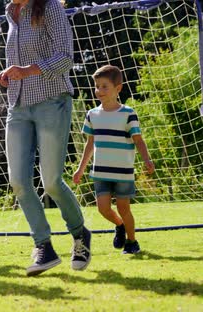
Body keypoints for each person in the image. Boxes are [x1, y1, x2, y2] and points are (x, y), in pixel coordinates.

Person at [0, 0, 91, 276]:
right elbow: (20, 61)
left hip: (52, 101)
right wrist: (11, 74)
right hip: (18, 105)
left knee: (50, 182)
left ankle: (79, 234)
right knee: (18, 182)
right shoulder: (11, 13)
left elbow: (65, 57)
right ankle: (43, 246)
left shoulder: (50, 7)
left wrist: (26, 70)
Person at [73, 65, 155, 254]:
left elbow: (138, 140)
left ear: (118, 89)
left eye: (104, 86)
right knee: (103, 208)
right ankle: (119, 226)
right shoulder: (92, 114)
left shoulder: (128, 114)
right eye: (97, 86)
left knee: (123, 208)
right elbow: (90, 144)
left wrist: (147, 160)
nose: (99, 91)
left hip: (123, 172)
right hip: (101, 172)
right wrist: (80, 169)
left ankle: (132, 242)